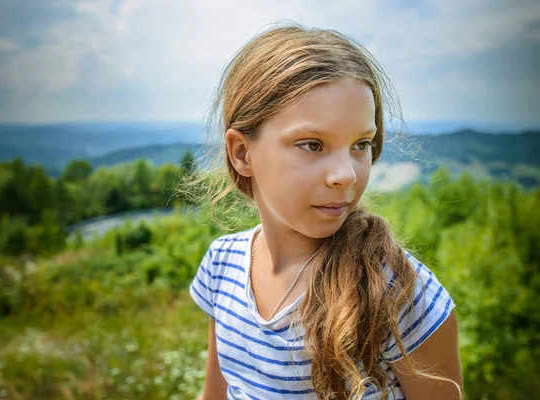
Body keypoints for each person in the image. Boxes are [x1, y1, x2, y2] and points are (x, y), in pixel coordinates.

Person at [184, 22, 462, 400]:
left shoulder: (398, 291)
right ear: (242, 153)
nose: (346, 174)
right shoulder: (222, 266)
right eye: (312, 144)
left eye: (360, 144)